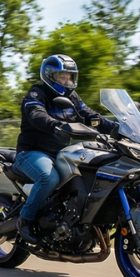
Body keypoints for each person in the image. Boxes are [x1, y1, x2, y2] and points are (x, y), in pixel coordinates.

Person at [15, 54, 119, 244]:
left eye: (69, 76)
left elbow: (90, 116)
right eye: (62, 76)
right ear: (50, 76)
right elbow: (37, 116)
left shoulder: (71, 96)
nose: (67, 80)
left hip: (59, 153)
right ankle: (25, 220)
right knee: (49, 178)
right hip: (32, 152)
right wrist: (56, 125)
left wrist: (116, 128)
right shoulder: (36, 94)